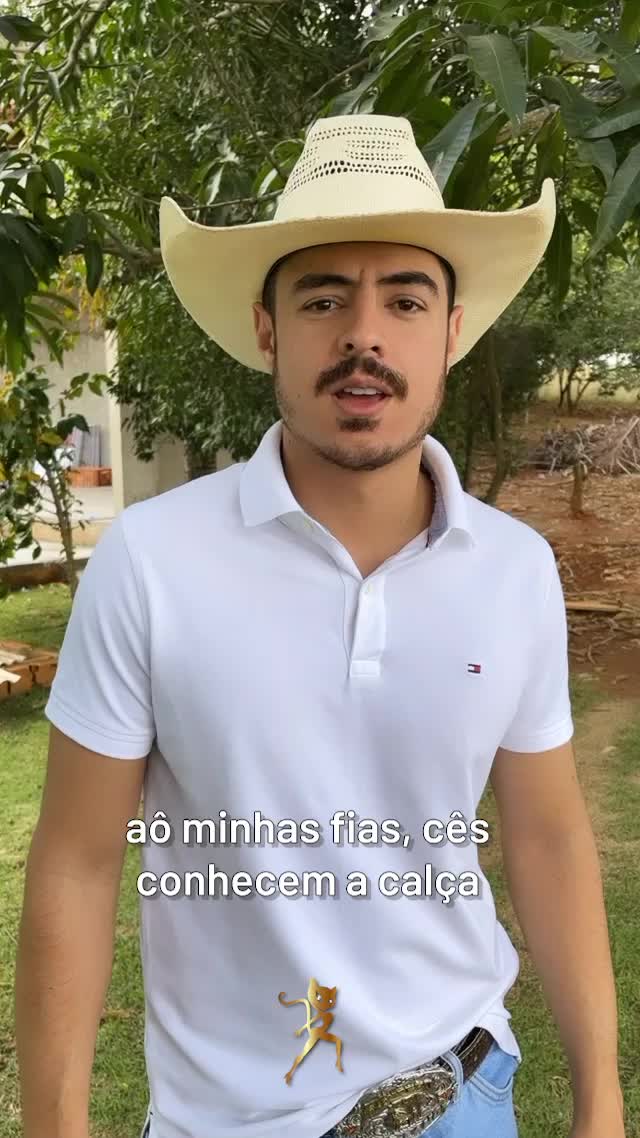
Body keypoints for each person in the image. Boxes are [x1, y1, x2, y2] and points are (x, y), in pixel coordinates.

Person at [15, 113, 625, 1138]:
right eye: (324, 298)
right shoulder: (152, 562)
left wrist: (601, 1096)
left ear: (451, 331)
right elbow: (77, 859)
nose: (363, 336)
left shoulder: (513, 570)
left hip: (461, 1094)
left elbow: (548, 832)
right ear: (268, 329)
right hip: (228, 1121)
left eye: (404, 299)